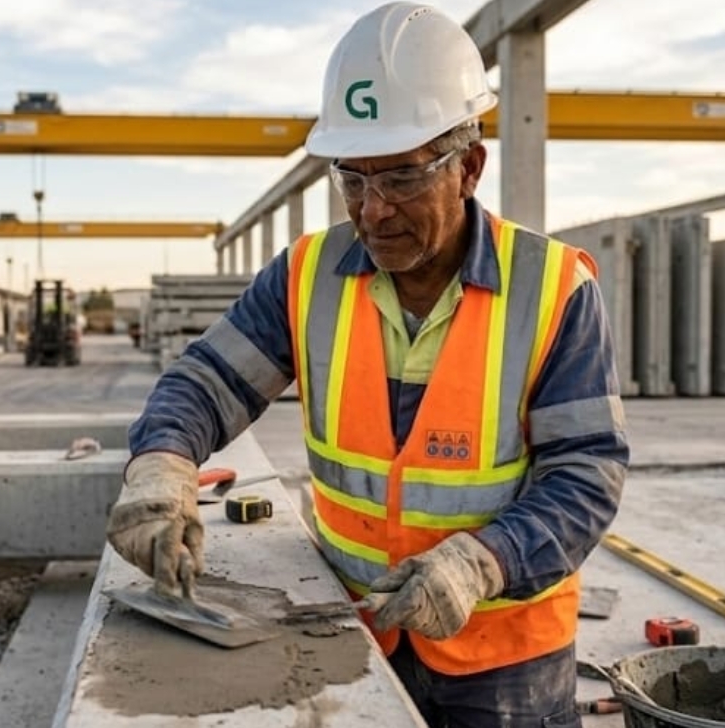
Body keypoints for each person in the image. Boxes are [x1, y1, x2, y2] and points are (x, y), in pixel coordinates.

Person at [106, 4, 629, 726]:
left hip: (503, 655)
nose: (373, 210)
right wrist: (162, 465)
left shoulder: (554, 290)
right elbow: (207, 382)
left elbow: (586, 476)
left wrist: (482, 562)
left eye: (403, 180)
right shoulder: (305, 276)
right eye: (352, 179)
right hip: (361, 629)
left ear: (469, 167)